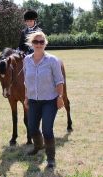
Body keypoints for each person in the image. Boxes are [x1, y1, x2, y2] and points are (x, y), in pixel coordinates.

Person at [23, 31, 64, 168]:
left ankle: (51, 158)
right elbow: (26, 81)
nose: (39, 44)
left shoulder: (52, 60)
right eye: (36, 42)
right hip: (33, 100)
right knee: (32, 127)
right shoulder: (27, 60)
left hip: (50, 101)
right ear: (31, 44)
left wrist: (60, 97)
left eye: (41, 42)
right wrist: (26, 97)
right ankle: (38, 146)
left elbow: (59, 81)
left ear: (45, 43)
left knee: (47, 129)